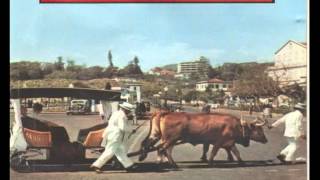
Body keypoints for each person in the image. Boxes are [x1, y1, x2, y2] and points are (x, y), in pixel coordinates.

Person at [90, 102, 139, 173]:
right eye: (129, 111)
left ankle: (129, 166)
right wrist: (131, 130)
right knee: (109, 151)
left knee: (120, 152)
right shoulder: (121, 116)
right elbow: (122, 127)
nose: (129, 112)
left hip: (112, 135)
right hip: (115, 136)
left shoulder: (116, 113)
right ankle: (97, 165)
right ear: (125, 110)